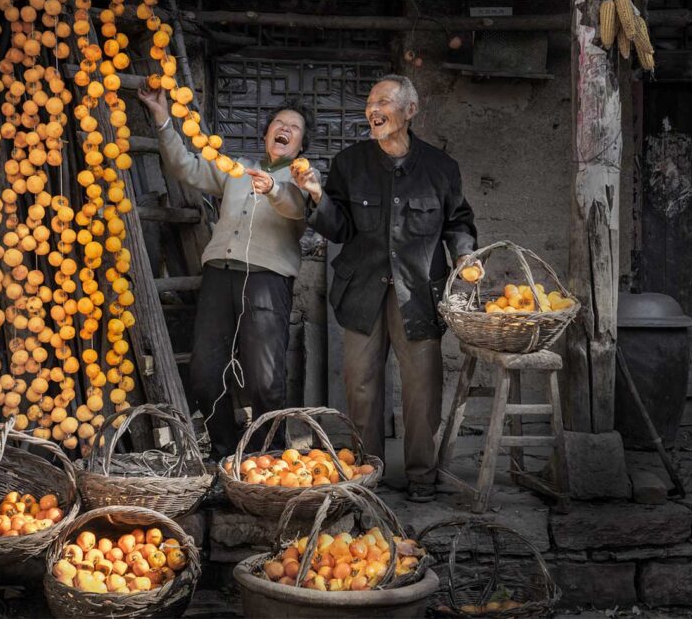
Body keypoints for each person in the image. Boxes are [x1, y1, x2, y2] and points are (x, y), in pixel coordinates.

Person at [292, 75, 479, 502]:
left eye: (384, 102)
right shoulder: (350, 163)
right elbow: (338, 227)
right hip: (362, 291)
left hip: (419, 294)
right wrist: (318, 198)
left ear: (410, 111)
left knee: (422, 389)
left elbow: (458, 223)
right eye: (370, 101)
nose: (372, 109)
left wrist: (466, 256)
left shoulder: (440, 168)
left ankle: (421, 477)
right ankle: (366, 473)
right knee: (360, 385)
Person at [138, 85, 317, 461]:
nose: (283, 129)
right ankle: (223, 453)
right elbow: (185, 167)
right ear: (267, 134)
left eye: (293, 127)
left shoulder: (303, 180)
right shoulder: (237, 170)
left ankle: (267, 459)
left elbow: (295, 209)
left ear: (300, 145)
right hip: (219, 275)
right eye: (278, 124)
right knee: (204, 371)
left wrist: (272, 188)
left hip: (267, 280)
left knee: (265, 380)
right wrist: (162, 118)